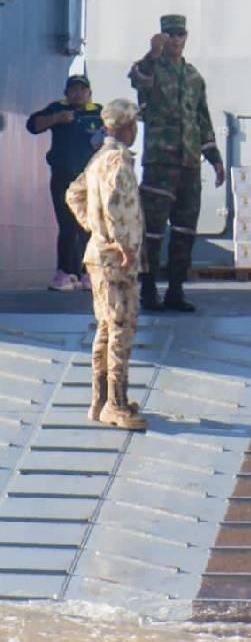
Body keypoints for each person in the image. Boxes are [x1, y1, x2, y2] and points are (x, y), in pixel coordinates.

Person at [128, 14, 225, 312]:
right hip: (160, 163)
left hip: (189, 165)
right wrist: (152, 54)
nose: (175, 39)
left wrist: (215, 159)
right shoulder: (151, 68)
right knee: (153, 230)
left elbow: (202, 119)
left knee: (185, 230)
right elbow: (137, 79)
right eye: (169, 34)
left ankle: (175, 290)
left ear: (186, 37)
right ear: (162, 36)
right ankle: (147, 290)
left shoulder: (194, 78)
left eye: (179, 34)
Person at [64, 99, 147, 431]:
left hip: (98, 255)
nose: (136, 129)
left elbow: (74, 194)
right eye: (134, 124)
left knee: (105, 326)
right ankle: (116, 404)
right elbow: (114, 205)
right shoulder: (117, 162)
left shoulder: (98, 159)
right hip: (115, 260)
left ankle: (100, 400)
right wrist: (122, 244)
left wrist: (93, 227)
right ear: (127, 126)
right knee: (121, 329)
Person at [26, 74, 105, 291]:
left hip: (90, 179)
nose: (77, 93)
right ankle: (65, 273)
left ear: (89, 92)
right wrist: (57, 119)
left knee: (90, 226)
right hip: (63, 177)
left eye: (82, 89)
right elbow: (32, 125)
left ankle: (89, 273)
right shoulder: (57, 109)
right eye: (73, 89)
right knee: (67, 225)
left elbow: (117, 135)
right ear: (66, 93)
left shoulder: (99, 113)